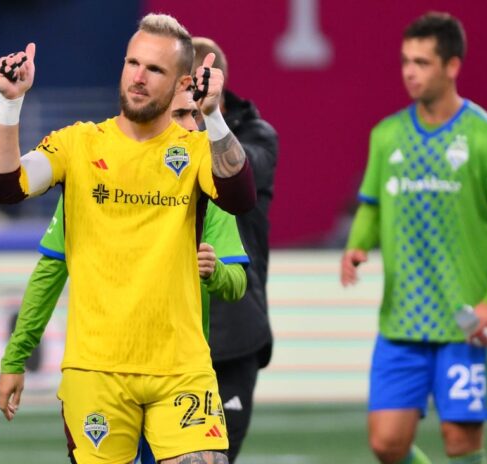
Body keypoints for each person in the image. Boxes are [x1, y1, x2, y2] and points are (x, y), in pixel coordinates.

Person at [0, 13, 255, 464]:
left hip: (180, 369)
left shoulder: (194, 150)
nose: (139, 77)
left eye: (155, 69)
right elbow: (3, 186)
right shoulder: (77, 145)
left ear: (182, 83)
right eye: (133, 63)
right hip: (96, 373)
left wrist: (212, 117)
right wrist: (9, 104)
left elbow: (240, 196)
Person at [341, 12, 487, 464]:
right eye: (405, 61)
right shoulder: (387, 135)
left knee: (460, 441)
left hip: (466, 322)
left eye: (422, 62)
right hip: (402, 321)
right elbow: (372, 204)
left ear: (452, 66)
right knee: (386, 444)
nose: (409, 72)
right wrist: (357, 244)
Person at [191, 37, 279, 462]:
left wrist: (208, 118)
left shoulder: (257, 137)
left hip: (234, 330)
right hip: (172, 331)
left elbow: (236, 171)